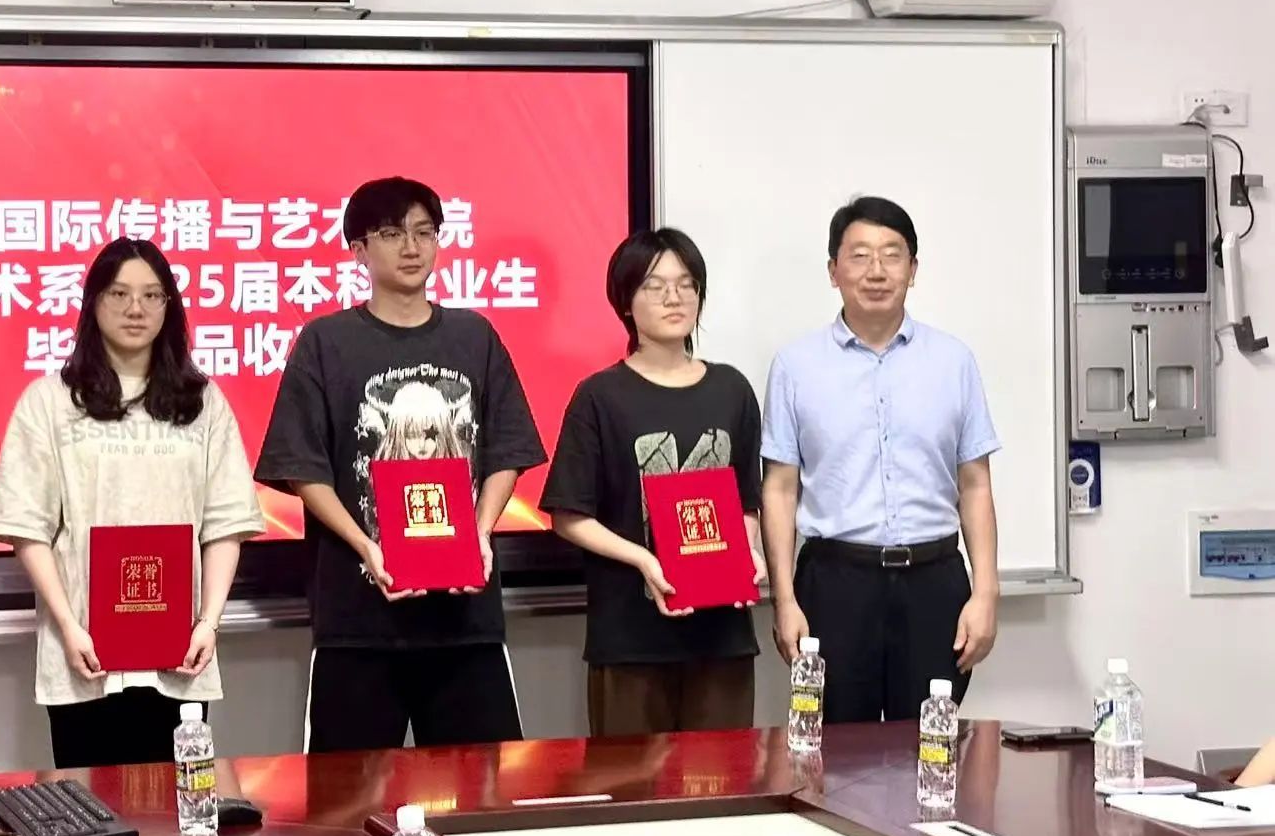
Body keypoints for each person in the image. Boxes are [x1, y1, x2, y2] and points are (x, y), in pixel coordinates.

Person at [255, 176, 546, 753]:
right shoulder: (325, 342)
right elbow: (303, 467)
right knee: (346, 795)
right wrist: (367, 547)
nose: (411, 248)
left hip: (465, 623)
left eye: (424, 232)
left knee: (484, 791)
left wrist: (479, 534)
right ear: (359, 251)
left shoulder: (475, 336)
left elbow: (507, 451)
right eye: (392, 234)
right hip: (357, 623)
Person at [0, 237, 263, 768]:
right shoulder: (50, 401)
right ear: (93, 302)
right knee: (89, 808)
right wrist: (69, 626)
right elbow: (28, 528)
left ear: (169, 307)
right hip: (84, 651)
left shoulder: (203, 403)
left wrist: (209, 622)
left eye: (152, 295)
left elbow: (225, 524)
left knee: (177, 804)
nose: (136, 308)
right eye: (119, 293)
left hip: (180, 652)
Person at [761, 196, 1001, 724]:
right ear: (833, 271)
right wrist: (784, 599)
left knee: (930, 745)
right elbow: (779, 489)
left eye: (892, 255)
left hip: (934, 582)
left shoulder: (953, 361)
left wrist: (986, 591)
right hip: (835, 584)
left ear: (913, 270)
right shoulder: (796, 366)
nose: (876, 271)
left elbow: (975, 484)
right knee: (837, 749)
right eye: (860, 255)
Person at [540, 228, 765, 737]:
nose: (674, 298)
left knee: (724, 778)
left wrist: (747, 552)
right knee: (631, 781)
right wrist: (645, 560)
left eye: (686, 284)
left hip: (721, 636)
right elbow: (569, 515)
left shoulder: (732, 389)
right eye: (655, 286)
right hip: (631, 639)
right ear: (625, 302)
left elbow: (746, 501)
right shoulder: (600, 396)